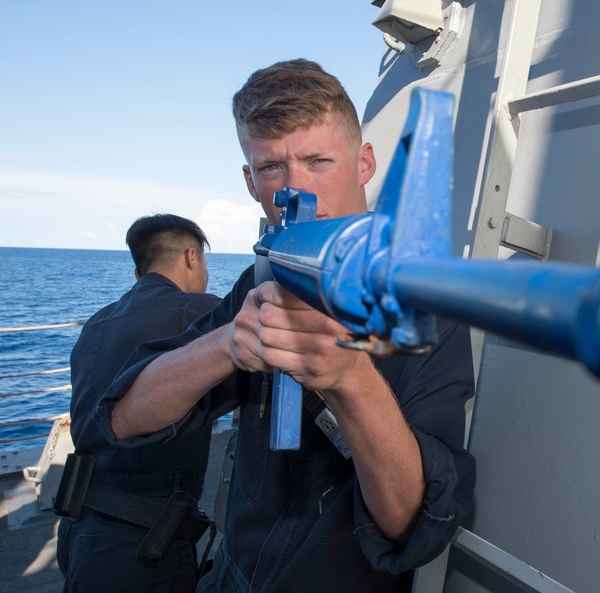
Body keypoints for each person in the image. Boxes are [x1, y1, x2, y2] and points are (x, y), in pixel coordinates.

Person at [95, 59, 476, 591]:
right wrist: (227, 343)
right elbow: (123, 420)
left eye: (319, 160)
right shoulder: (260, 282)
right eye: (272, 168)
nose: (296, 192)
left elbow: (413, 525)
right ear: (250, 181)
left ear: (364, 162)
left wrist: (352, 379)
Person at [57, 214, 221, 592]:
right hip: (144, 541)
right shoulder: (200, 311)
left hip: (78, 527)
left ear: (137, 272)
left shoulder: (96, 323)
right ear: (192, 257)